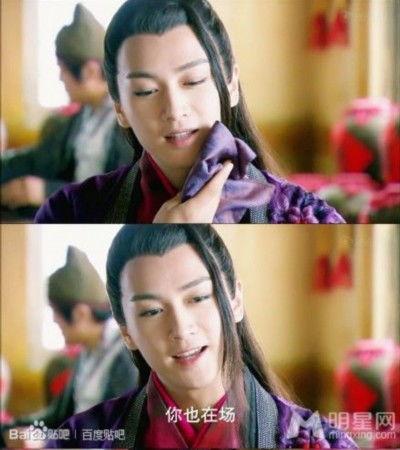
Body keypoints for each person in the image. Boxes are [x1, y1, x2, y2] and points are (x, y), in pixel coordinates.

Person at [35, 0, 344, 224]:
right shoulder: (68, 212)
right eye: (146, 90)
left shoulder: (307, 217)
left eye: (193, 81)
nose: (174, 110)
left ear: (231, 84)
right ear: (121, 109)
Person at [47, 225, 356, 448]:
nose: (181, 329)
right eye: (152, 311)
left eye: (198, 298)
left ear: (235, 301)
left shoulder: (318, 442)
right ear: (127, 332)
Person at [1, 4, 133, 219]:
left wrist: (46, 191)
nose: (60, 78)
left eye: (62, 69)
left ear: (90, 71)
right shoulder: (81, 115)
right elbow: (40, 158)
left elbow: (120, 194)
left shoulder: (129, 121)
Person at [3, 246, 138, 435]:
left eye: (55, 312)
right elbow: (57, 416)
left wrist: (48, 440)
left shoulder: (127, 356)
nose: (54, 320)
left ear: (80, 313)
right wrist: (11, 429)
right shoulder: (87, 351)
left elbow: (114, 433)